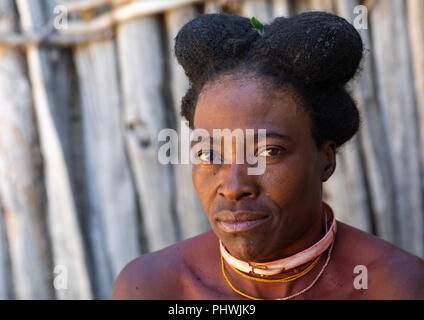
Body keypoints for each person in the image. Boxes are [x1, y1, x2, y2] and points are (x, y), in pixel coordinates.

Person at [112, 11, 424, 300]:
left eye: (268, 152)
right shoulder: (155, 286)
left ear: (326, 159)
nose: (234, 187)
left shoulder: (393, 285)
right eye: (209, 154)